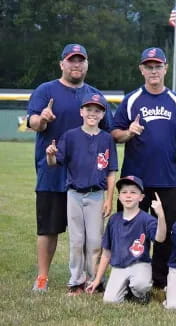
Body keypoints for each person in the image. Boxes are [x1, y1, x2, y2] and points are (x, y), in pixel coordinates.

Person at [27, 43, 113, 292]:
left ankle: (91, 278)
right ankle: (42, 276)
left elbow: (108, 133)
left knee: (89, 234)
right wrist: (42, 119)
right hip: (53, 172)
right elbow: (33, 121)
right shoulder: (46, 90)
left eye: (81, 60)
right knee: (48, 228)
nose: (76, 64)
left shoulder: (95, 95)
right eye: (71, 60)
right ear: (62, 64)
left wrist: (130, 132)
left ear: (86, 64)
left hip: (87, 177)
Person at [111, 47, 176, 289]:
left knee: (166, 232)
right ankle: (127, 275)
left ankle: (160, 279)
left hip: (167, 180)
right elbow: (114, 133)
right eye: (149, 66)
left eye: (158, 66)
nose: (154, 70)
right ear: (141, 70)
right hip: (134, 181)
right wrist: (129, 132)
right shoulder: (132, 99)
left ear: (165, 68)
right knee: (130, 229)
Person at [45, 93, 117, 295]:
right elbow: (54, 163)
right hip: (75, 194)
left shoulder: (107, 139)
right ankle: (76, 280)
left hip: (96, 195)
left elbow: (111, 172)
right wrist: (50, 155)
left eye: (97, 110)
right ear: (81, 112)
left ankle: (95, 280)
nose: (92, 113)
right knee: (77, 240)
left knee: (95, 241)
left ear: (102, 114)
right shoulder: (70, 136)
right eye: (89, 109)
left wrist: (109, 199)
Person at [85, 176, 167, 303]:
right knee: (110, 300)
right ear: (119, 197)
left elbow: (160, 239)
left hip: (140, 264)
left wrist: (161, 216)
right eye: (124, 192)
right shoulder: (114, 220)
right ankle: (127, 289)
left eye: (133, 192)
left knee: (141, 285)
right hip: (119, 266)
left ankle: (140, 294)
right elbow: (106, 253)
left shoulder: (146, 219)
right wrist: (97, 279)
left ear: (141, 197)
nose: (128, 196)